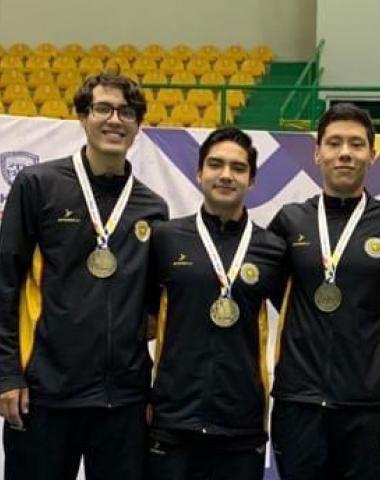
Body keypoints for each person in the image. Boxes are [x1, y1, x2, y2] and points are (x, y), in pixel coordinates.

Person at [0, 73, 168, 480]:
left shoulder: (152, 207)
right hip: (44, 393)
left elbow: (152, 303)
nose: (115, 120)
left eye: (127, 112)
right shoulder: (37, 185)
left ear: (138, 124)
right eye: (103, 109)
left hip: (123, 400)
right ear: (82, 116)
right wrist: (7, 372)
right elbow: (6, 281)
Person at [267, 103, 380, 480]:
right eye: (334, 143)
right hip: (298, 401)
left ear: (372, 154)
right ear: (317, 153)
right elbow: (265, 289)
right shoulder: (289, 220)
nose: (345, 153)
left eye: (356, 144)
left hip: (370, 402)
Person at [145, 127, 286, 480]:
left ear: (252, 180)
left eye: (238, 168)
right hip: (172, 420)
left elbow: (304, 323)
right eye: (216, 165)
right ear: (199, 173)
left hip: (241, 424)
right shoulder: (165, 238)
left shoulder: (272, 248)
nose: (226, 175)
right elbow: (140, 318)